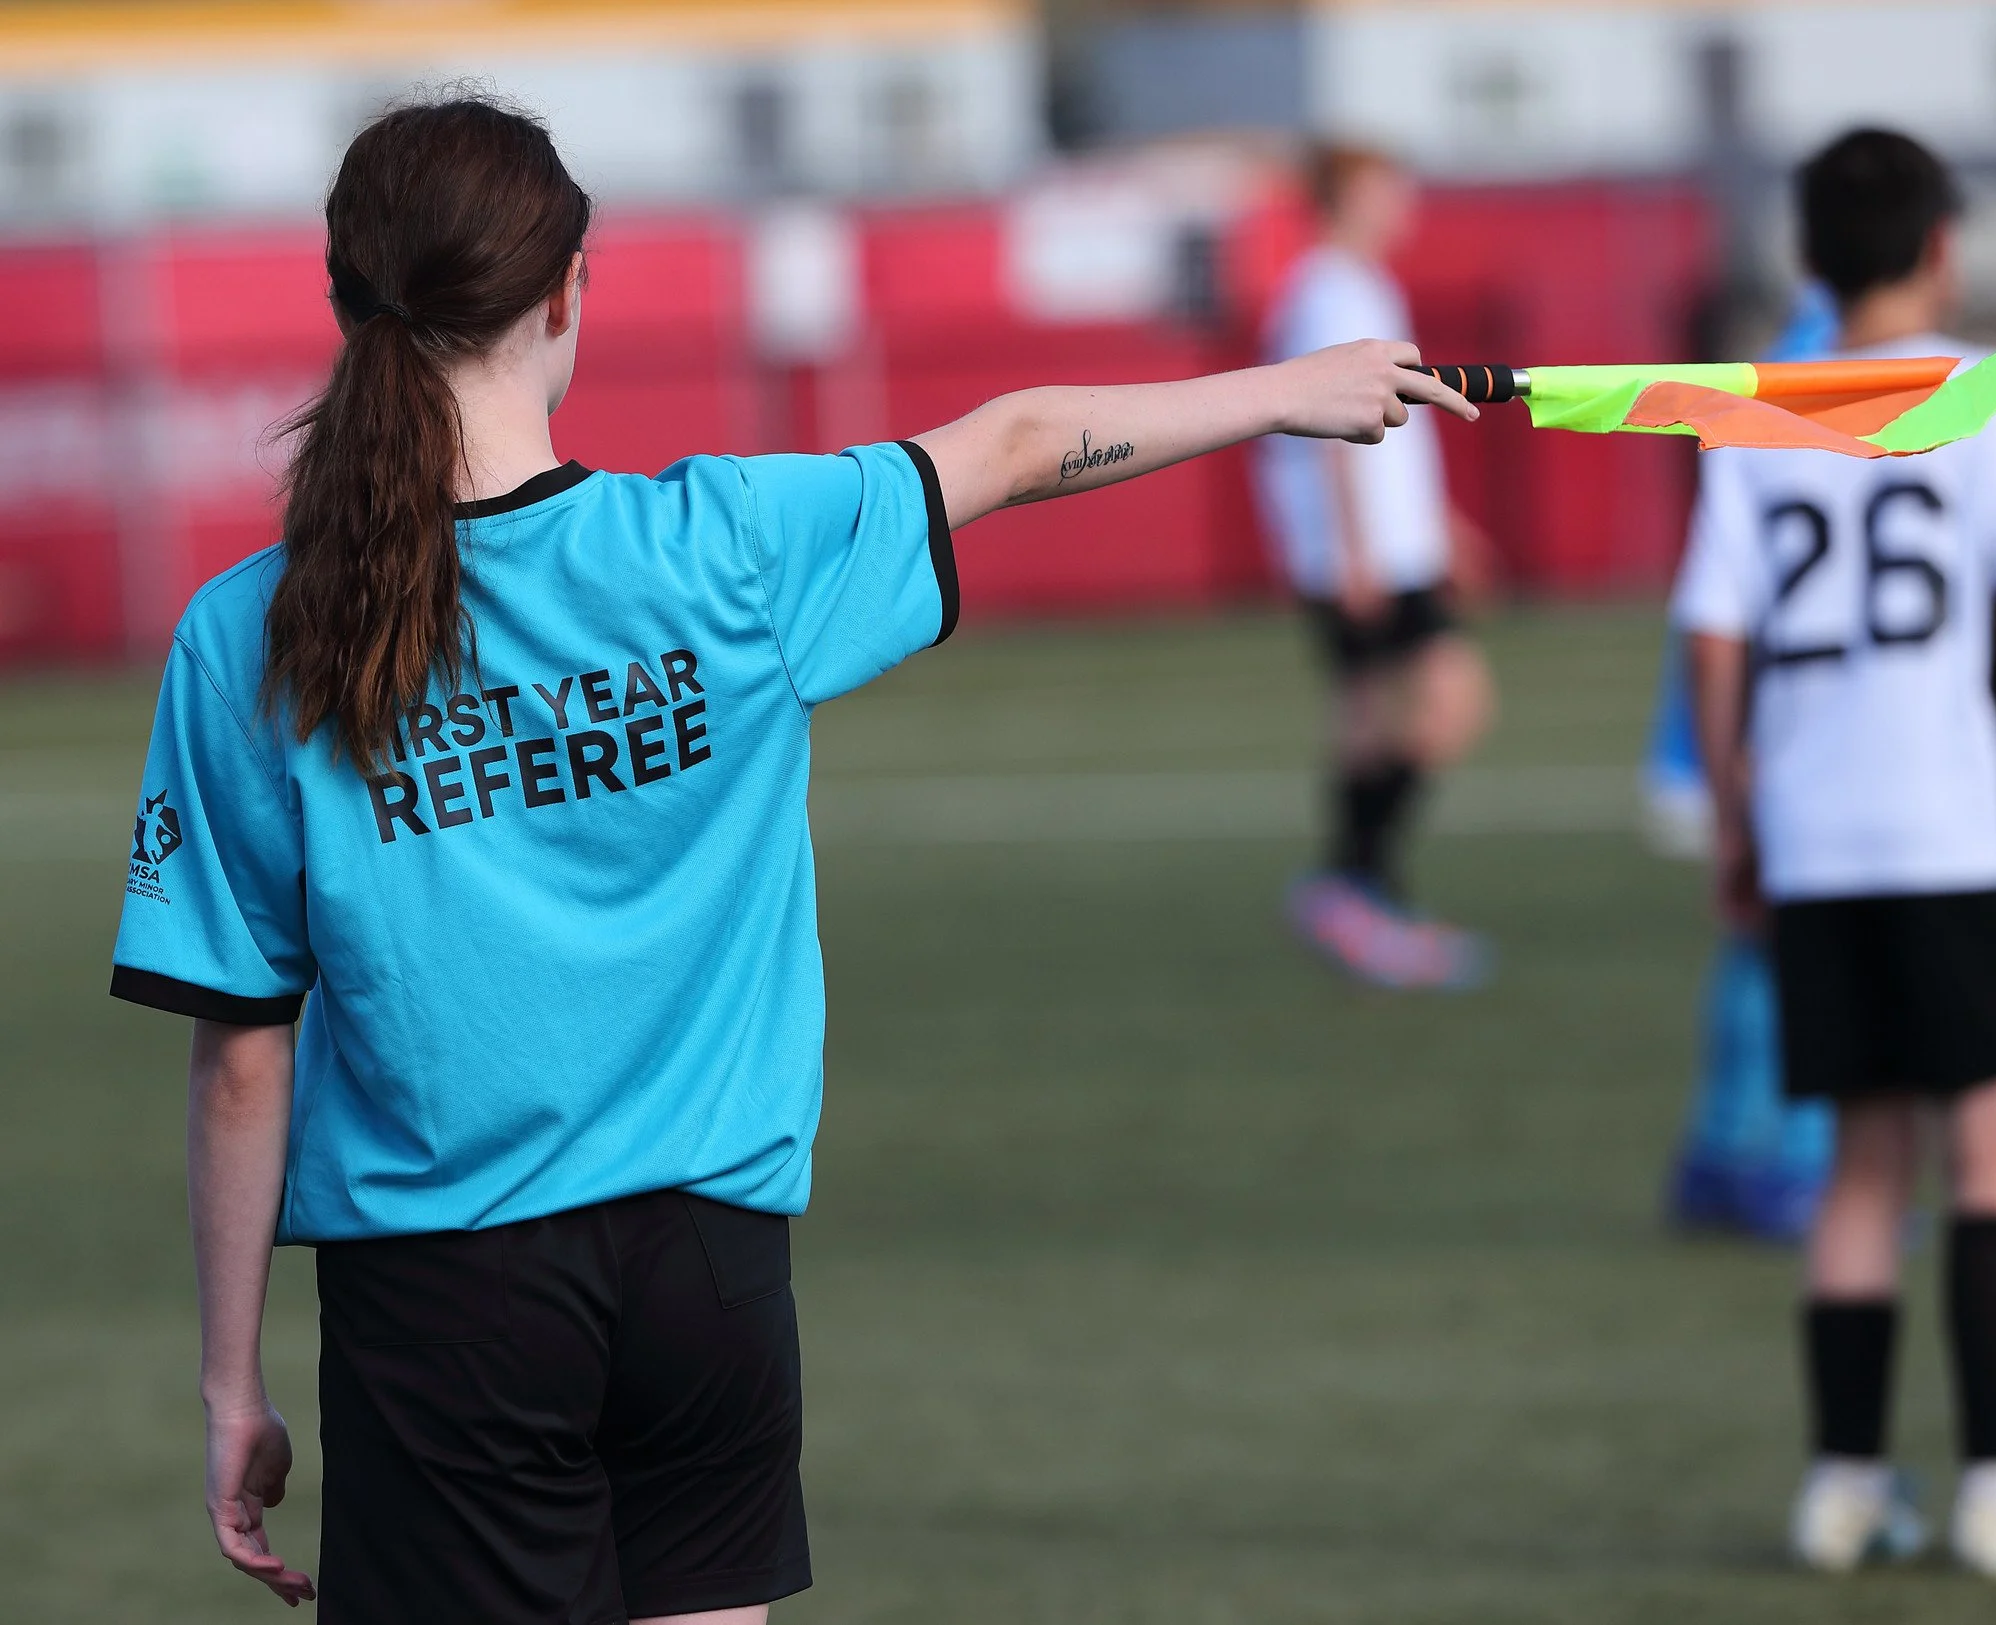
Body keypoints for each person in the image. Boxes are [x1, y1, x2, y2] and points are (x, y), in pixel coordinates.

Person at [106, 98, 1478, 1621]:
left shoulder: (244, 635)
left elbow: (245, 1057)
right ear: (567, 293)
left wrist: (232, 1383)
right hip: (709, 1274)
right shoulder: (727, 550)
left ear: (342, 305)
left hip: (441, 1305)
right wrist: (1291, 389)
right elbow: (1017, 445)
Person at [1673, 127, 1996, 1575]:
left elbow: (1714, 639)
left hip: (1815, 831)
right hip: (1954, 820)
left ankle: (1840, 1486)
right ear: (1942, 245)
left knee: (1857, 1171)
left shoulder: (1753, 413)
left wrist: (1730, 815)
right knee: (1994, 1158)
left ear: (1806, 257)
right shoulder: (1994, 404)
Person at [1255, 144, 1496, 990]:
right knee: (1444, 696)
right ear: (1340, 199)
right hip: (1364, 550)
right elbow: (1324, 425)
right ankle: (1354, 884)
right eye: (1382, 190)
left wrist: (1441, 523)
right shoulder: (1328, 289)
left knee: (1372, 712)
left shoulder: (1362, 284)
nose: (1401, 204)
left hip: (1394, 541)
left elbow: (1396, 426)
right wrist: (1354, 548)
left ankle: (1360, 892)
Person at [1657, 281, 1840, 1245]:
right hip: (1801, 717)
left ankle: (1721, 1153)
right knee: (1814, 944)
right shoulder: (1852, 364)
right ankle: (1794, 1166)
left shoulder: (1795, 346)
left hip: (1746, 714)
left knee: (1757, 942)